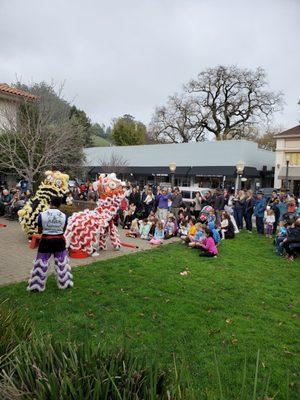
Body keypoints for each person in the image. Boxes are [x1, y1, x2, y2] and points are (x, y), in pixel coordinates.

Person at [27, 196, 73, 292]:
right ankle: (65, 283)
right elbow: (63, 229)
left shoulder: (42, 215)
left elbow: (39, 230)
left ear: (50, 203)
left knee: (41, 262)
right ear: (60, 205)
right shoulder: (64, 216)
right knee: (62, 262)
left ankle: (36, 286)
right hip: (59, 241)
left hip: (46, 241)